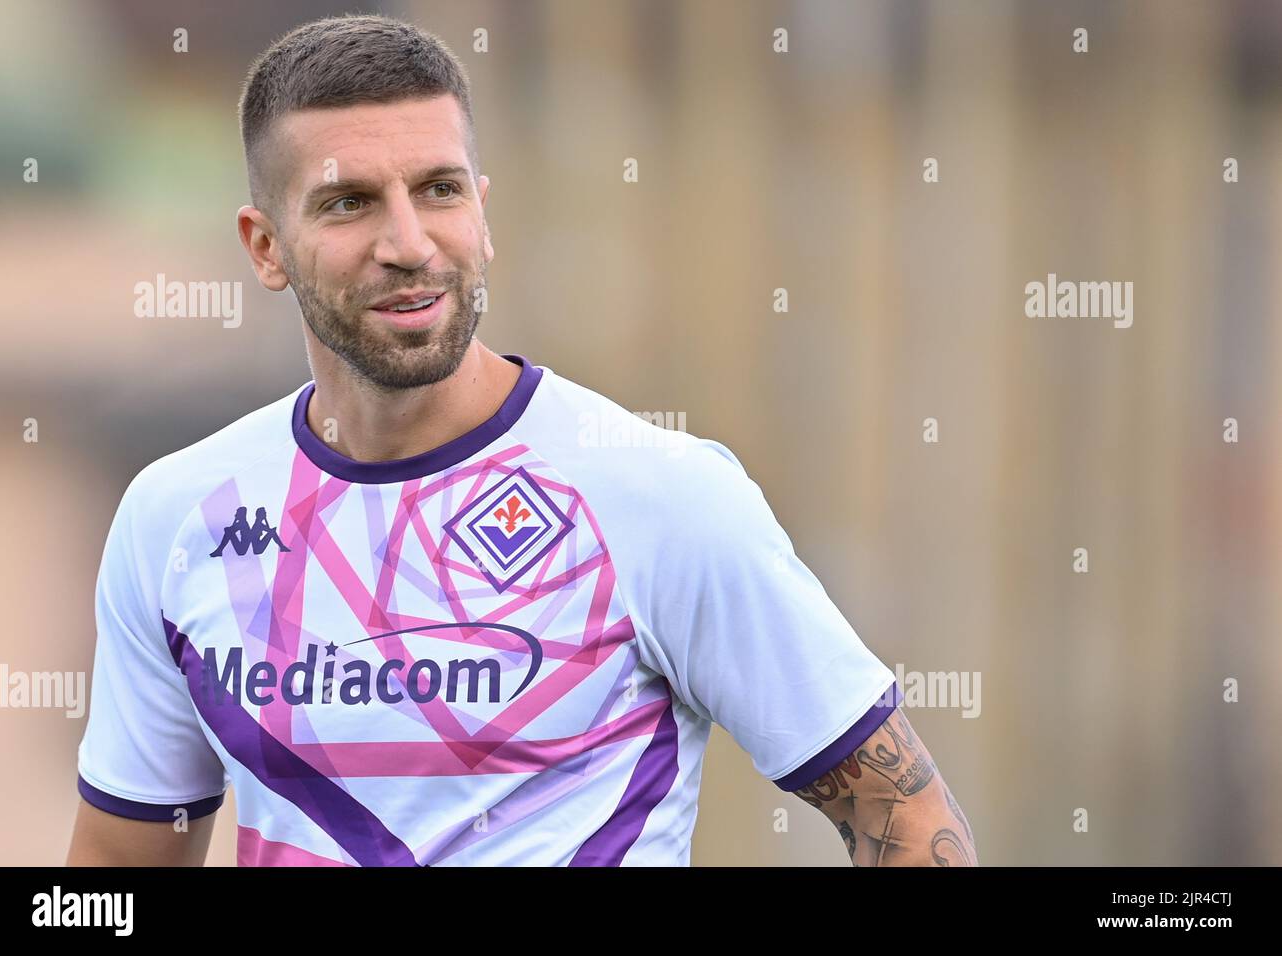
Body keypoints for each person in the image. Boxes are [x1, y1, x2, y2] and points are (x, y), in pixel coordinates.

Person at [66, 13, 976, 867]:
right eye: (349, 204)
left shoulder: (658, 493)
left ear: (482, 212)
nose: (410, 242)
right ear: (265, 247)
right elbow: (116, 867)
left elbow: (905, 819)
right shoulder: (177, 515)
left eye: (439, 190)